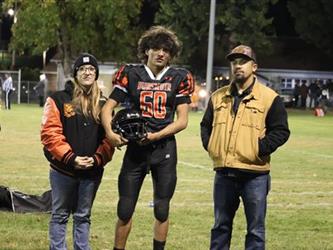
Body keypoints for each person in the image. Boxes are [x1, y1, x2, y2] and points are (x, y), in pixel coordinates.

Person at [101, 26, 194, 250]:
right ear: (146, 51)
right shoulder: (131, 74)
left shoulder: (178, 77)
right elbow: (107, 108)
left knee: (162, 209)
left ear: (171, 54)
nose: (161, 53)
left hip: (164, 150)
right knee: (124, 209)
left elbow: (182, 121)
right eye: (156, 48)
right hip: (136, 150)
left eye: (166, 50)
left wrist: (155, 136)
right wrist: (110, 133)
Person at [200, 45, 290, 250]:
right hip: (223, 173)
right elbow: (205, 126)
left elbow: (281, 131)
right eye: (234, 62)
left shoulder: (269, 97)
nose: (238, 66)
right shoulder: (217, 96)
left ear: (254, 66)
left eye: (243, 62)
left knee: (256, 231)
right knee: (220, 227)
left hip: (255, 175)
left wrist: (258, 149)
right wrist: (213, 146)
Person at [41, 53, 114, 250]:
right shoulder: (58, 99)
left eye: (91, 69)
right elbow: (50, 134)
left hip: (91, 171)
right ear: (75, 73)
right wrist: (71, 158)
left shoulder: (104, 104)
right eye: (82, 69)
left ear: (96, 74)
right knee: (60, 214)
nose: (87, 72)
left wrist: (98, 158)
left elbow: (109, 138)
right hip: (63, 171)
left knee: (83, 216)